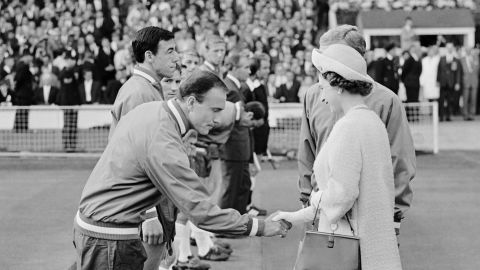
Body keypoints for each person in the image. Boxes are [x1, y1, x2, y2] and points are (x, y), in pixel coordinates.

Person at [72, 70, 288, 270]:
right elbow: (201, 211)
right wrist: (260, 227)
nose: (216, 119)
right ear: (192, 102)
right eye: (214, 110)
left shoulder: (153, 110)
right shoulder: (164, 139)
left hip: (98, 229)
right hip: (111, 239)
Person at [273, 44, 402, 270]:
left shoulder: (349, 127)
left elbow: (341, 197)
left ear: (338, 85)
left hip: (351, 249)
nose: (321, 96)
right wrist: (295, 216)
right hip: (372, 248)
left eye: (323, 87)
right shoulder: (372, 123)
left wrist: (313, 198)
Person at [296, 25, 415, 245]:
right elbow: (307, 151)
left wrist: (394, 217)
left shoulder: (387, 101)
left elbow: (399, 161)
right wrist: (307, 203)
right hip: (321, 214)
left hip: (369, 217)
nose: (323, 69)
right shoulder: (313, 95)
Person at [108, 26, 180, 270]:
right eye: (170, 51)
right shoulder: (139, 93)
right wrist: (149, 214)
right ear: (149, 56)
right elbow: (134, 160)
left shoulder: (148, 88)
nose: (176, 57)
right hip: (141, 207)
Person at [437, 42, 462, 121]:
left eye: (451, 47)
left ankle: (448, 116)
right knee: (441, 100)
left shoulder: (456, 60)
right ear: (446, 48)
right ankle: (441, 116)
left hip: (451, 83)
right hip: (443, 82)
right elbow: (439, 70)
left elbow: (458, 72)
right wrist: (437, 81)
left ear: (453, 48)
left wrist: (457, 83)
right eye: (448, 47)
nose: (450, 49)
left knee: (450, 100)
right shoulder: (442, 58)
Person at [459, 47, 478, 121]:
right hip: (465, 81)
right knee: (465, 99)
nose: (468, 51)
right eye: (467, 50)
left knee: (473, 99)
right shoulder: (462, 59)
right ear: (465, 51)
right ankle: (465, 114)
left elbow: (477, 70)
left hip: (474, 81)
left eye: (470, 50)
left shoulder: (475, 58)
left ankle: (472, 114)